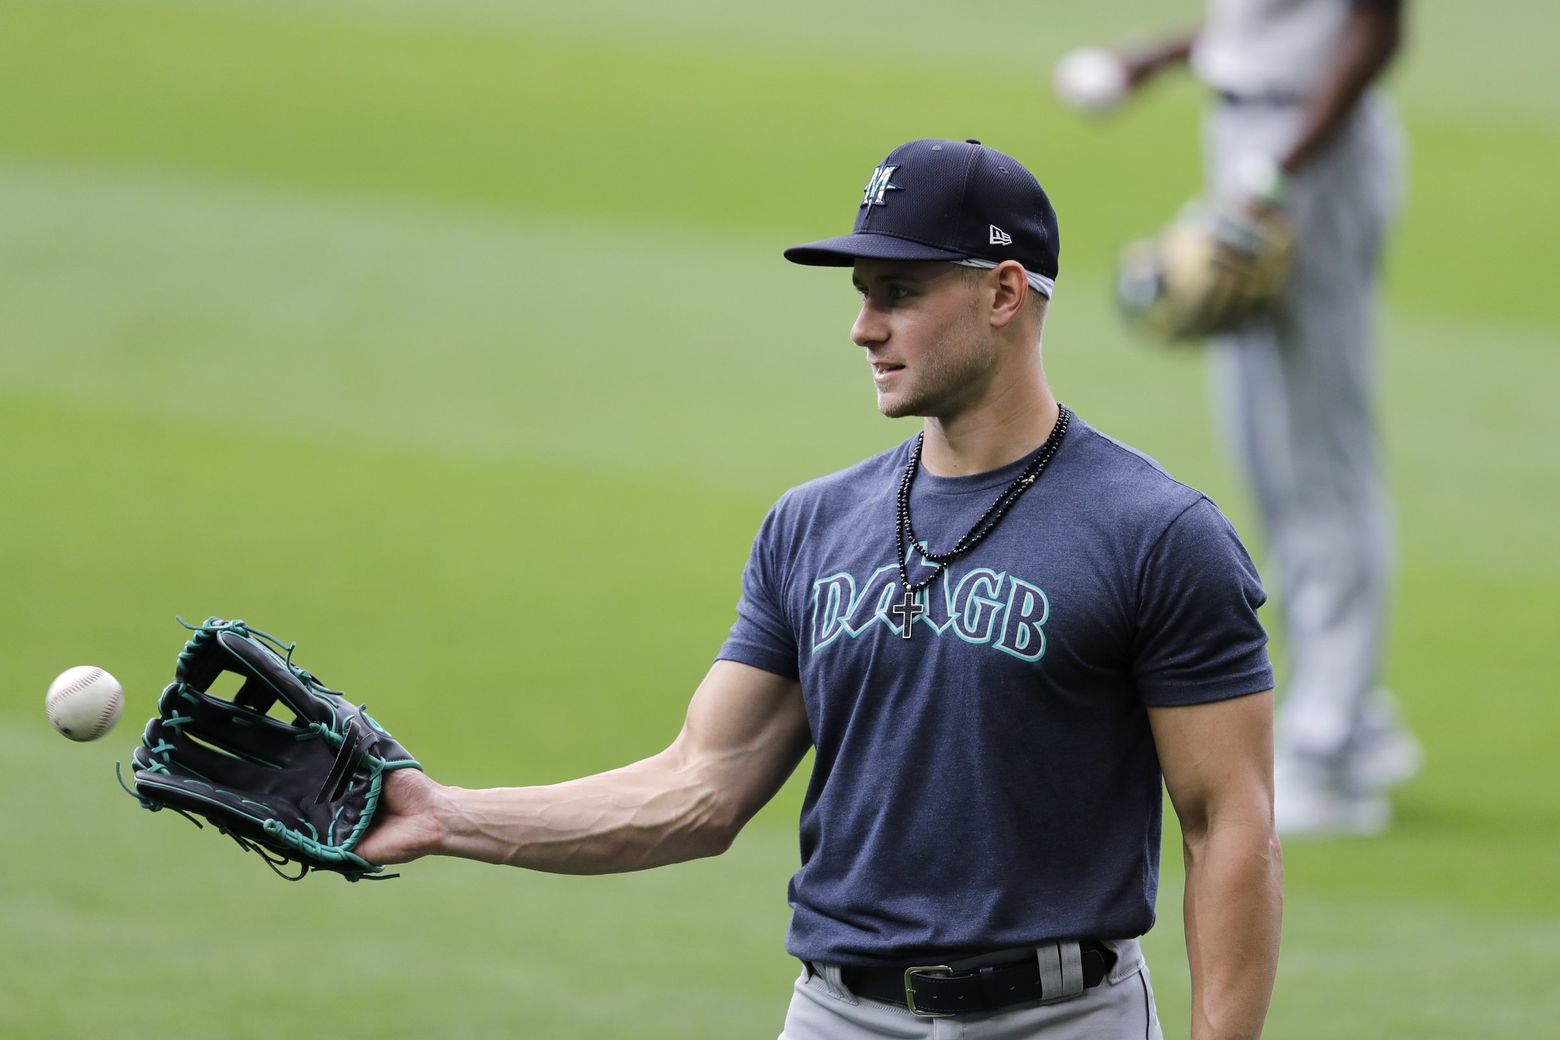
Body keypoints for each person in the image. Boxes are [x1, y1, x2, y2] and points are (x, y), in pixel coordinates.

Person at [359, 137, 1283, 1039]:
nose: (863, 325)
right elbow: (698, 786)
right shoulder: (811, 525)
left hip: (1067, 1018)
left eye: (901, 293)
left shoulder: (1157, 536)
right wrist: (445, 814)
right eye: (861, 295)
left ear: (1003, 292)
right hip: (838, 1015)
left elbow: (1227, 823)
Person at [1058, 0, 1419, 836]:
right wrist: (1155, 58)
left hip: (1310, 153)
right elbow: (1265, 27)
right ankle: (1349, 715)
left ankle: (1328, 752)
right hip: (1253, 145)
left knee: (1322, 459)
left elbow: (1376, 25)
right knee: (1264, 451)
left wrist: (1276, 172)